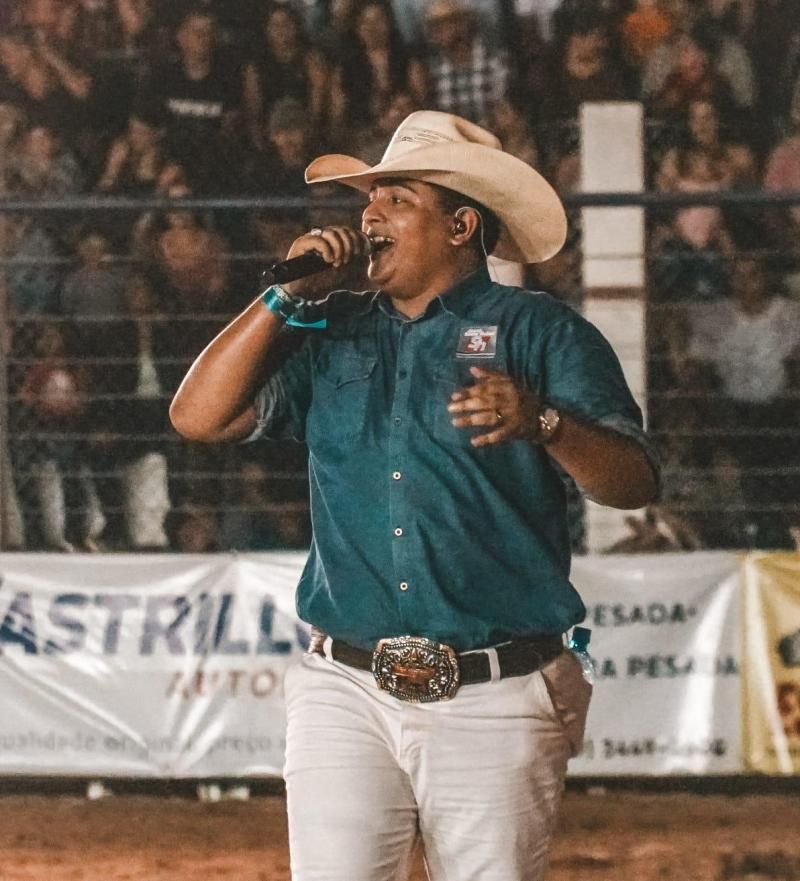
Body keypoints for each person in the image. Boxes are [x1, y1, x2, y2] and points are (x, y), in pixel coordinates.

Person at [170, 110, 659, 881]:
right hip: (345, 686)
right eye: (369, 200)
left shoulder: (541, 331)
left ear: (462, 224)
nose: (369, 214)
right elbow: (196, 415)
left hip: (495, 691)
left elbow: (631, 480)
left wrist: (545, 421)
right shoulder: (327, 327)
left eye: (396, 199)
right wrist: (284, 295)